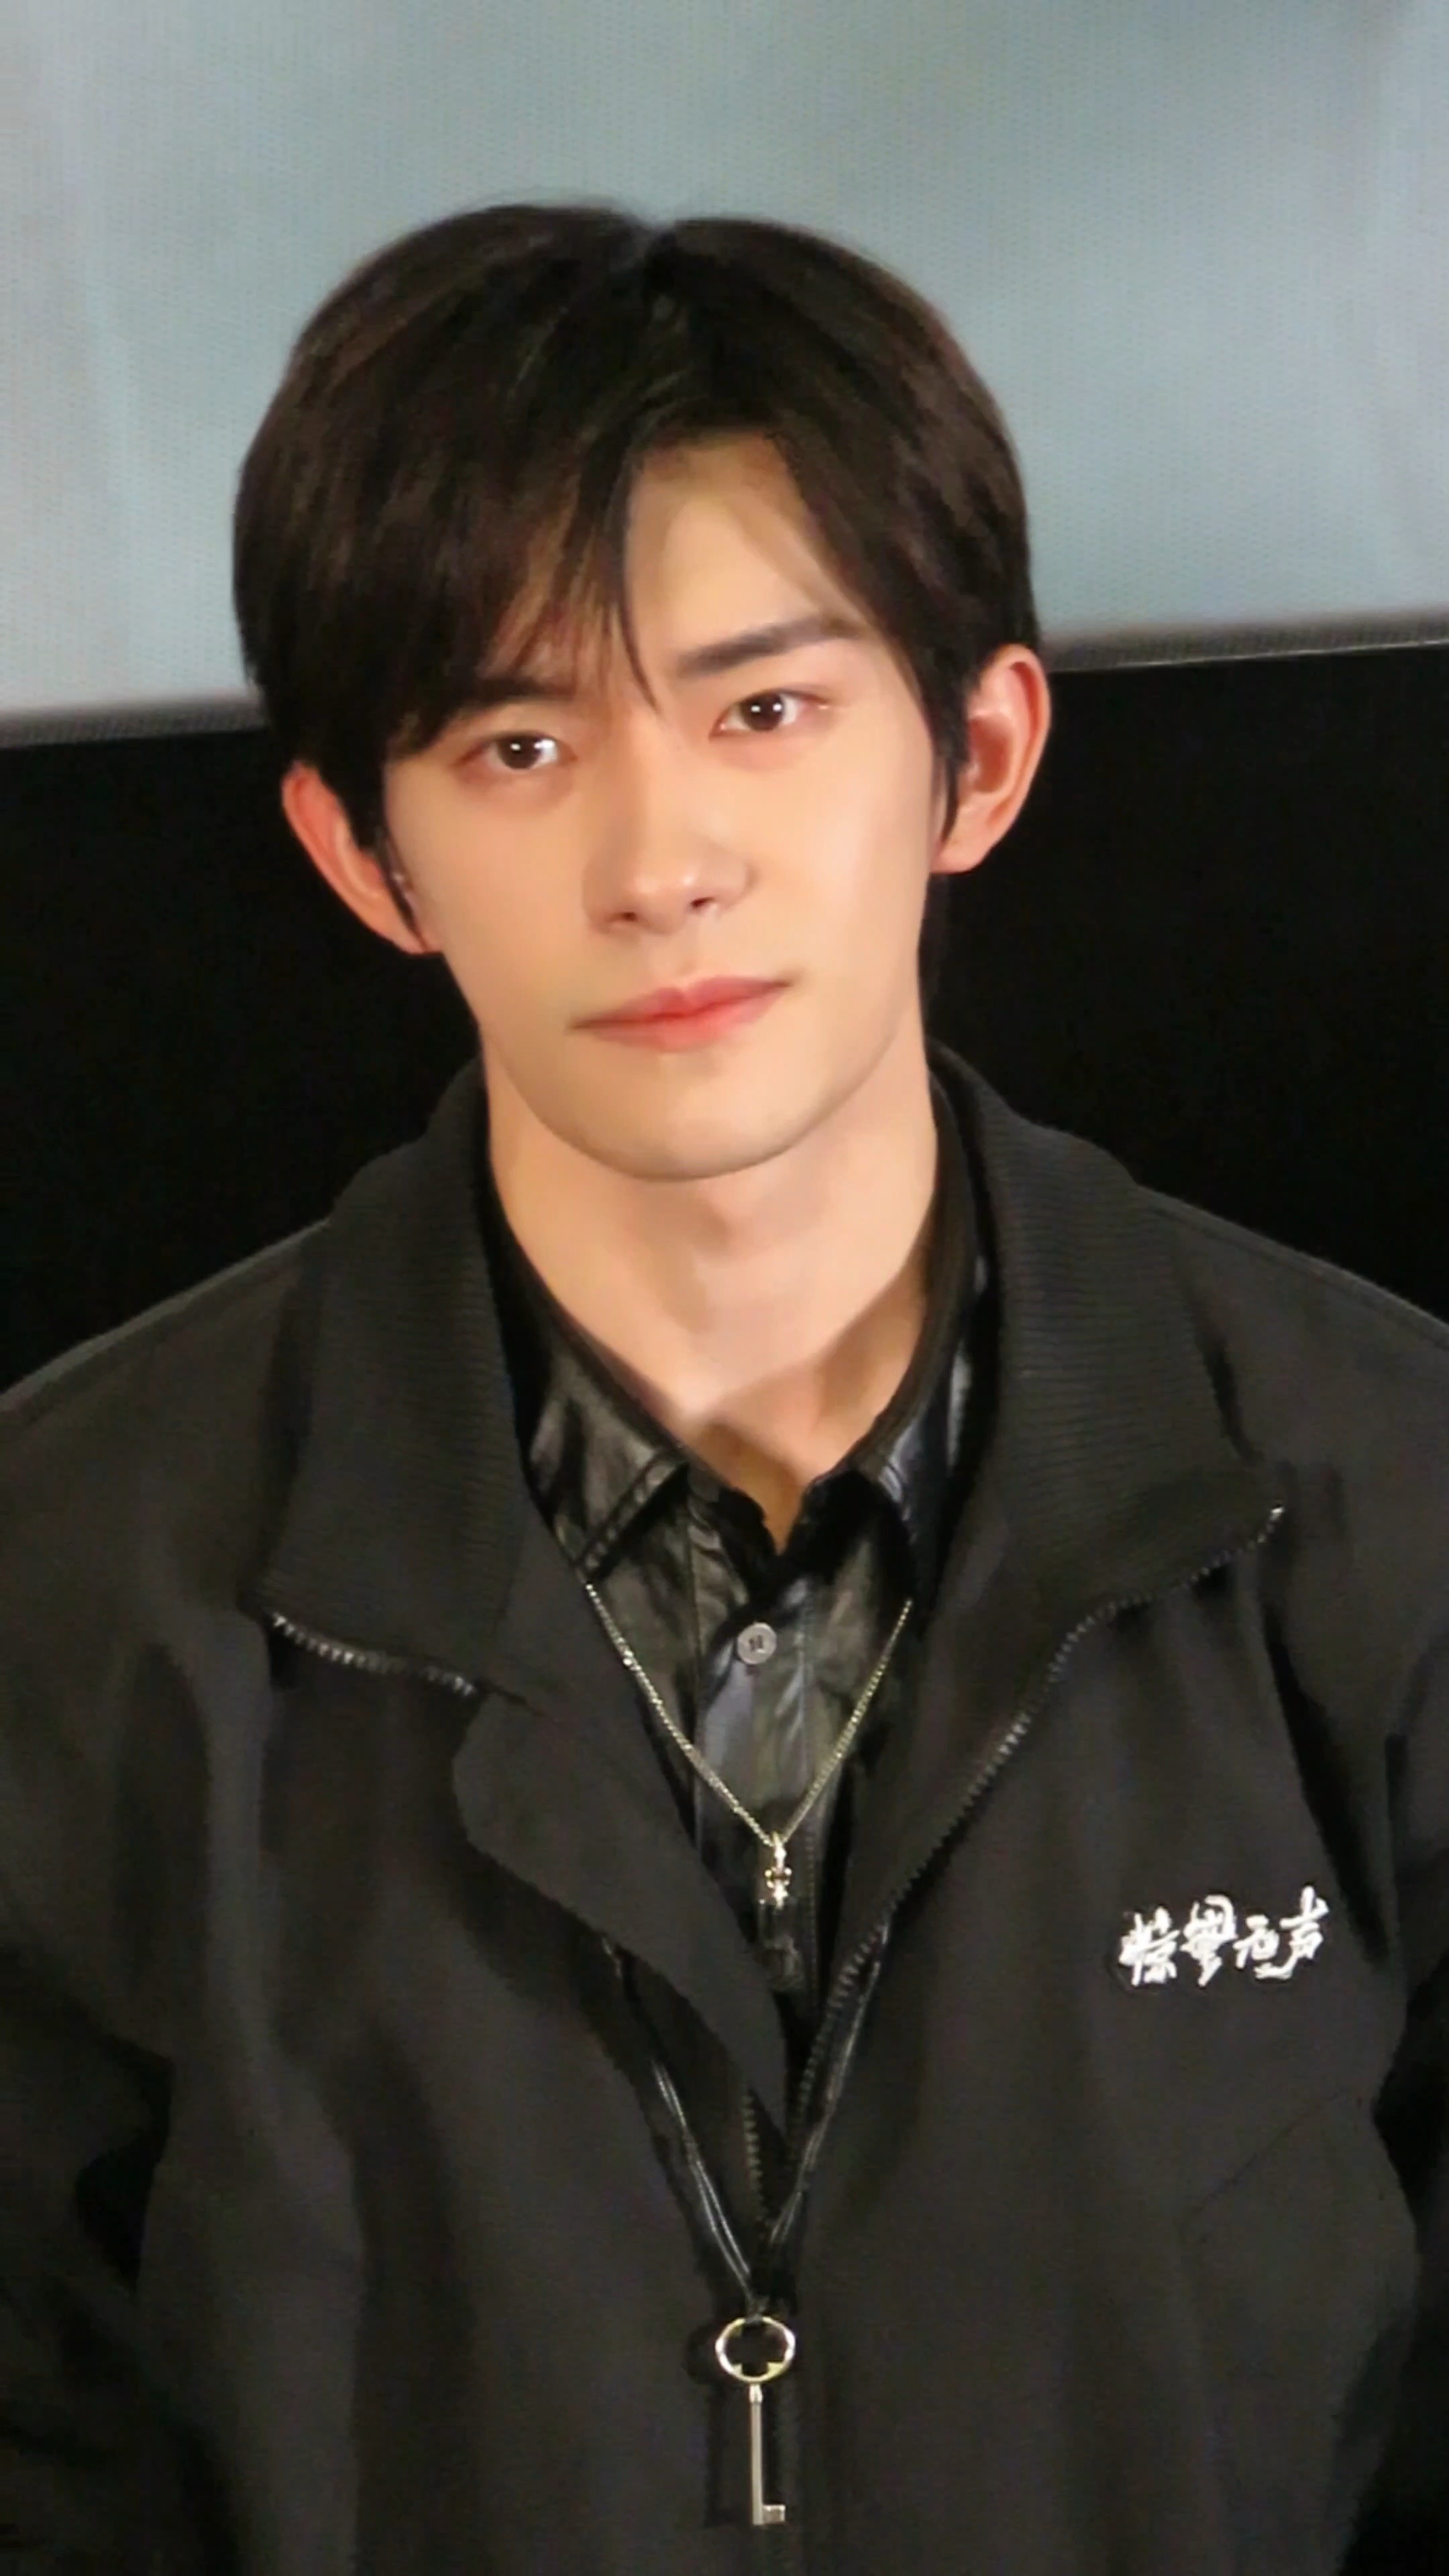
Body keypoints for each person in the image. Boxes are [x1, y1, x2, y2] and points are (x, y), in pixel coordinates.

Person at [1, 201, 1446, 2576]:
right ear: (365, 856)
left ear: (978, 753)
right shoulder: (68, 1586)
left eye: (765, 710)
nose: (660, 859)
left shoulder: (1392, 1507)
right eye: (520, 742)